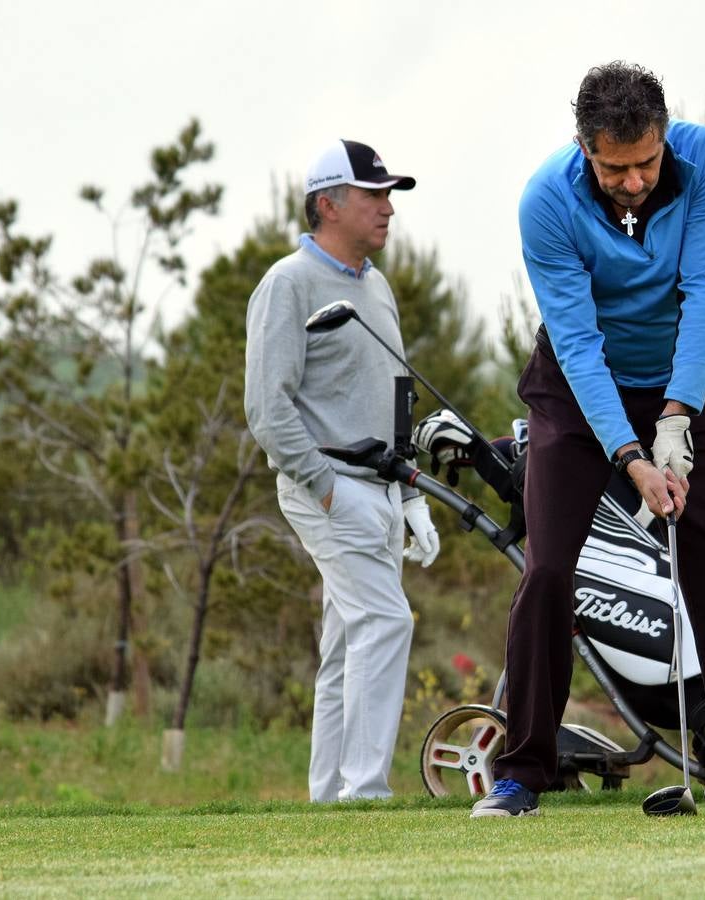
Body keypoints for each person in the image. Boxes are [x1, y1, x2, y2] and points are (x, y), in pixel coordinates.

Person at [471, 63, 705, 817]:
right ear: (584, 150)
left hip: (685, 380)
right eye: (614, 168)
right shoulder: (546, 201)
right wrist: (631, 459)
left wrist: (676, 416)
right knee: (546, 573)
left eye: (644, 163)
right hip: (576, 395)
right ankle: (521, 773)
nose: (632, 182)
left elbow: (704, 293)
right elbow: (576, 344)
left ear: (663, 139)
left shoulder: (703, 163)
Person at [244, 139, 440, 802]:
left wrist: (409, 495)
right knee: (386, 622)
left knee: (346, 642)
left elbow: (392, 392)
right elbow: (268, 407)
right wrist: (324, 488)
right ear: (328, 203)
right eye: (373, 195)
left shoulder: (375, 286)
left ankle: (329, 796)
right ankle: (364, 792)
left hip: (382, 488)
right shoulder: (288, 283)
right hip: (325, 486)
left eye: (390, 196)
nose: (388, 209)